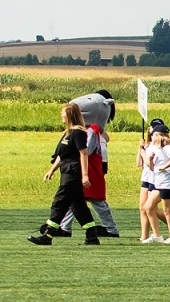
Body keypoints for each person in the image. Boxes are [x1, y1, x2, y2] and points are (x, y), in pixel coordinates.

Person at [29, 102, 102, 246]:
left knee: (59, 202)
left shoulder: (79, 132)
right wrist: (51, 170)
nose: (61, 115)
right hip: (66, 171)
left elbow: (83, 154)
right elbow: (62, 155)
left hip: (73, 173)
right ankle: (92, 236)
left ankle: (48, 235)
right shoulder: (68, 132)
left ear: (69, 115)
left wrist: (85, 175)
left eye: (63, 112)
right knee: (78, 206)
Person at [60, 119, 119, 238]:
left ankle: (111, 229)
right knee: (75, 199)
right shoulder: (84, 130)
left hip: (90, 170)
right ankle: (65, 227)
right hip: (84, 169)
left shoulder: (91, 130)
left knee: (96, 200)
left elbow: (88, 150)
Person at [145, 124, 170, 243]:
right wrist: (151, 160)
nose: (152, 137)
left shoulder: (167, 147)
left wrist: (164, 166)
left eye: (154, 135)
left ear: (159, 136)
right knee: (148, 207)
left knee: (167, 211)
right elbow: (152, 168)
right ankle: (157, 236)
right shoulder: (155, 149)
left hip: (168, 184)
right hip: (159, 183)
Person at [137, 122, 161, 243]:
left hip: (154, 179)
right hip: (146, 178)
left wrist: (143, 152)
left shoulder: (158, 147)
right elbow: (139, 163)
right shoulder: (147, 145)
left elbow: (150, 164)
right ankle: (144, 235)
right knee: (143, 208)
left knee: (152, 209)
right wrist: (140, 148)